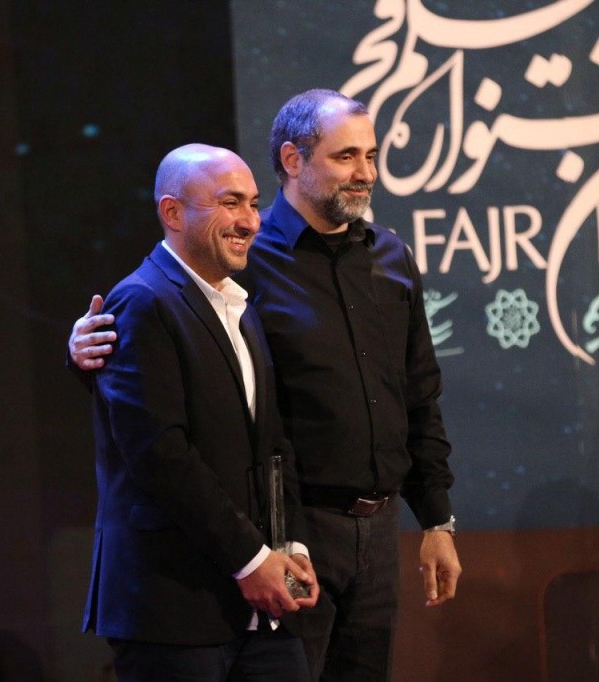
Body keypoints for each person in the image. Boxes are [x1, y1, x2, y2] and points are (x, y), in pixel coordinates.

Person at [72, 90, 461, 681]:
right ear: (293, 160)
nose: (365, 173)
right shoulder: (241, 259)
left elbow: (419, 393)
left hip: (370, 534)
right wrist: (83, 354)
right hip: (281, 530)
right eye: (346, 156)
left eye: (371, 156)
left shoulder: (391, 257)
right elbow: (155, 380)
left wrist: (436, 518)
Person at [82, 143, 318, 682]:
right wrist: (252, 560)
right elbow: (161, 456)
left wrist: (289, 545)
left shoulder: (239, 306)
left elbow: (271, 442)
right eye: (230, 203)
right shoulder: (141, 302)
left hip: (258, 605)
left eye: (253, 203)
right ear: (172, 212)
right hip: (173, 606)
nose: (250, 221)